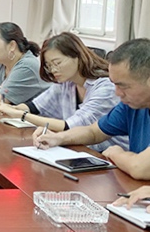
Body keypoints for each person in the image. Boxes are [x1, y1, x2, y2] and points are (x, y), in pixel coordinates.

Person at [33, 38, 150, 180]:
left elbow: (139, 168)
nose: (117, 93)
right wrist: (58, 138)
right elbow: (94, 132)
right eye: (115, 85)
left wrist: (115, 153)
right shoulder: (130, 106)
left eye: (123, 86)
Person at [0, 32, 127, 152]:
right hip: (79, 149)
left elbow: (70, 126)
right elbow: (36, 106)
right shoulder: (66, 82)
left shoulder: (106, 88)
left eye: (57, 63)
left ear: (77, 56)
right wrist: (11, 109)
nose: (53, 70)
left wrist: (20, 115)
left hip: (111, 156)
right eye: (49, 66)